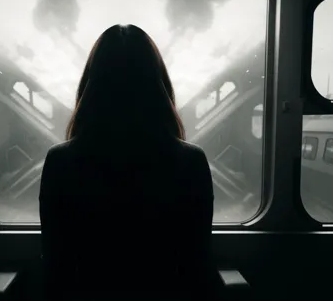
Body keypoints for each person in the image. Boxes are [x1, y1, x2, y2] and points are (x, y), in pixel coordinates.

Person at [40, 24, 221, 300]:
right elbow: (198, 263)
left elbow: (56, 266)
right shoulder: (191, 162)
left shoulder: (60, 161)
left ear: (92, 84)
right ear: (158, 84)